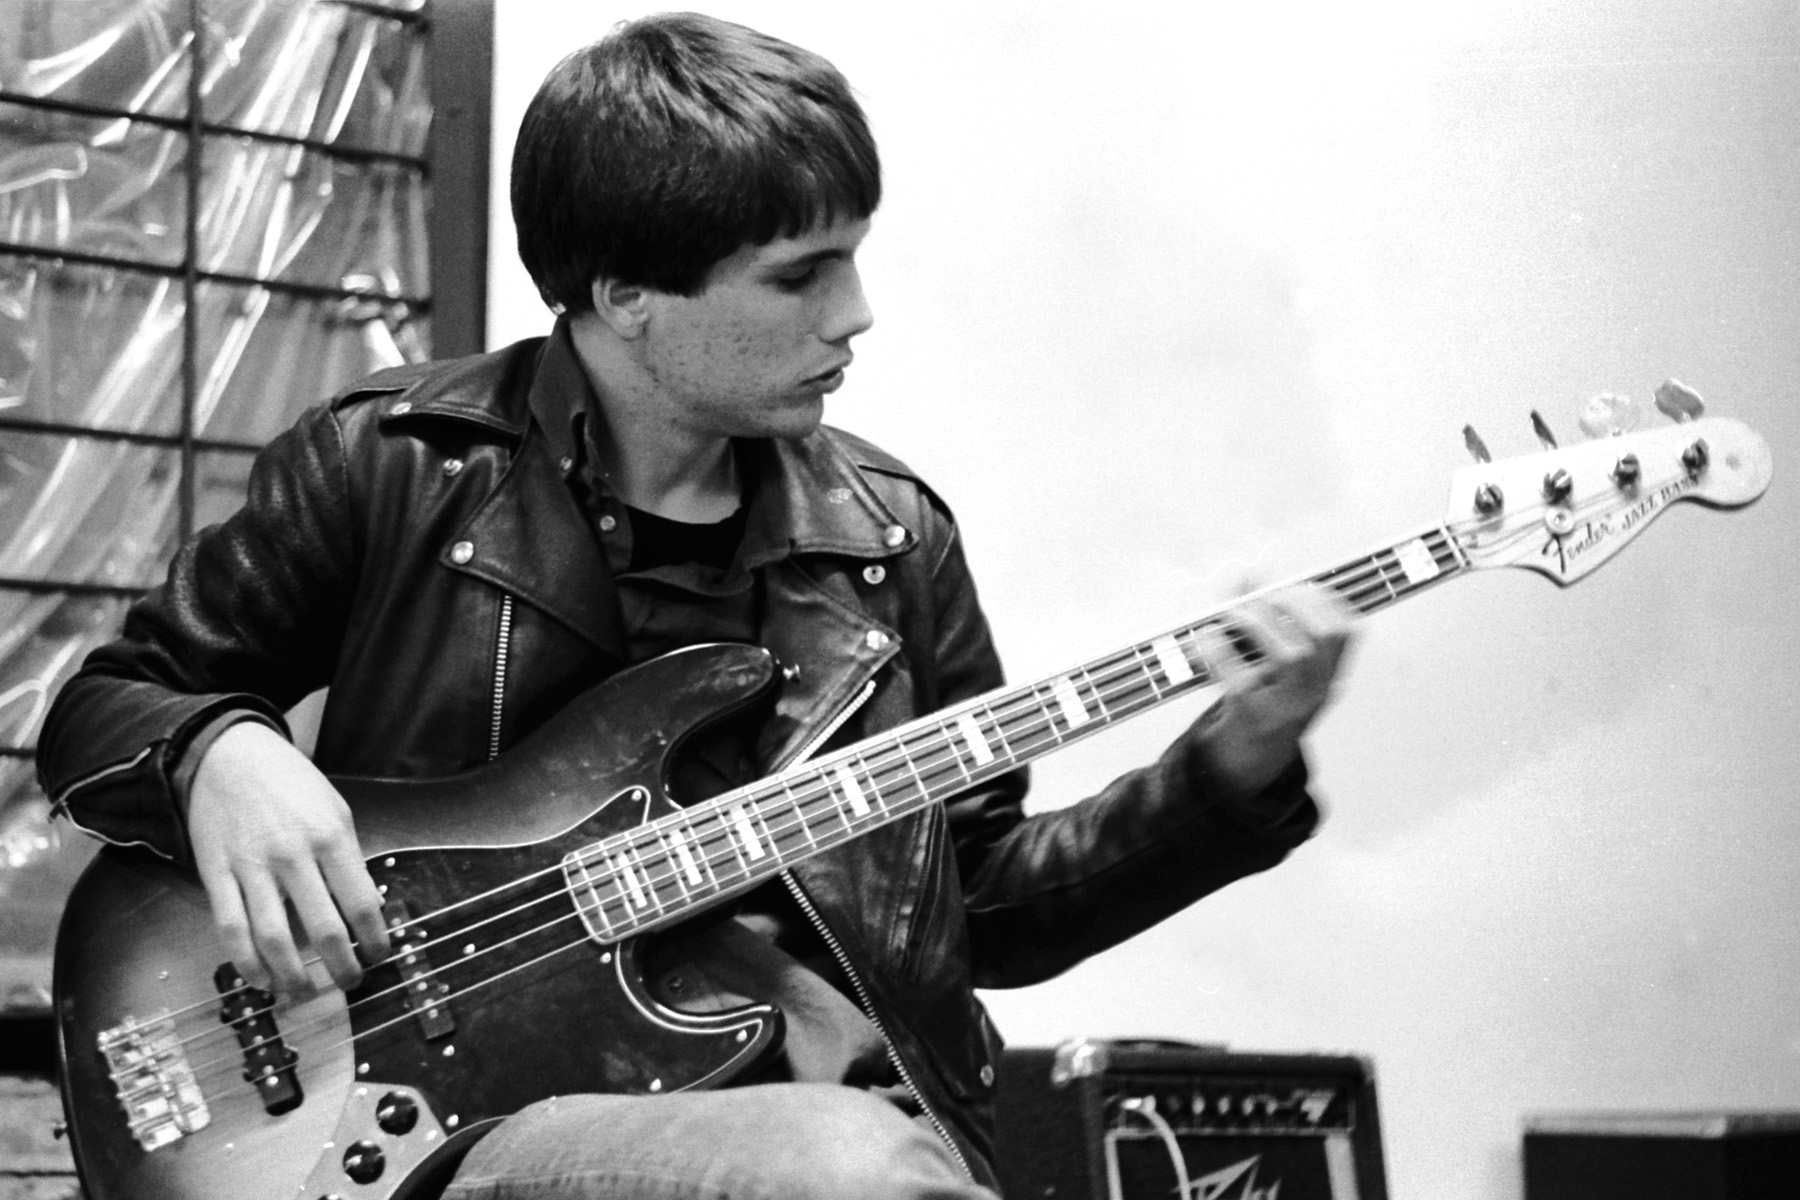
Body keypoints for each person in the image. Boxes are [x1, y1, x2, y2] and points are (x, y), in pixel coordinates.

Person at [38, 12, 1353, 1199]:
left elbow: (981, 910)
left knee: (864, 1156)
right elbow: (104, 708)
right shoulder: (393, 467)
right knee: (852, 1176)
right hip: (444, 1121)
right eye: (800, 274)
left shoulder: (889, 541)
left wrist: (1231, 767)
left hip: (810, 1087)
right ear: (628, 295)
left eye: (854, 260)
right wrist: (216, 752)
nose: (856, 314)